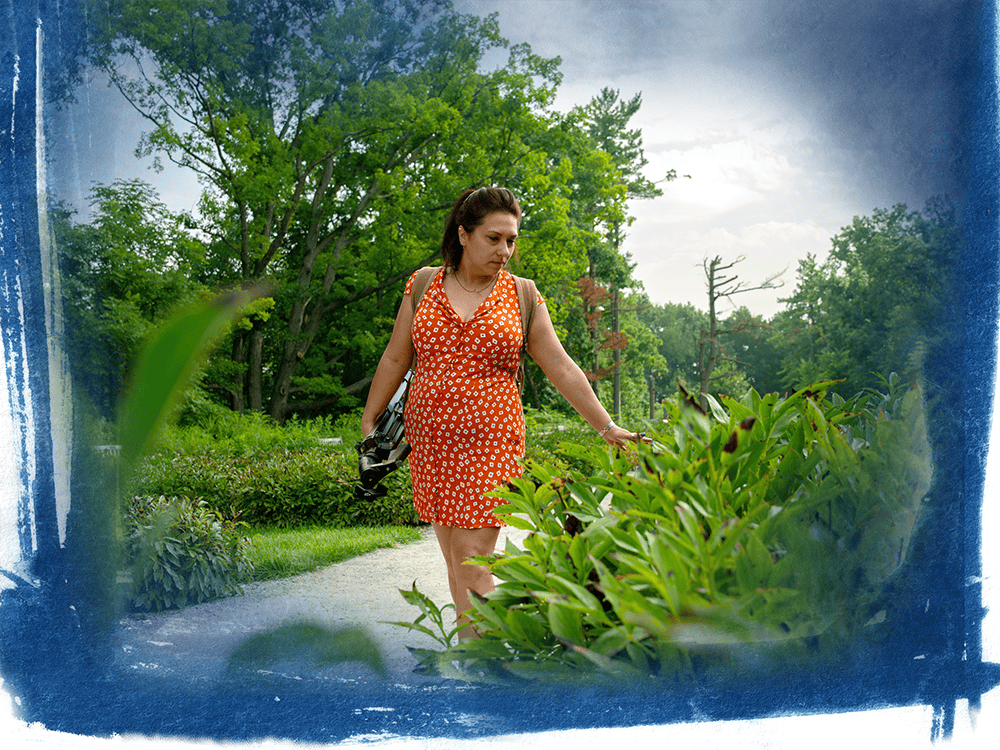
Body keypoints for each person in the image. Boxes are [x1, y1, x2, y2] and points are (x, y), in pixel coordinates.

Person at [360, 186, 644, 639]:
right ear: (464, 235)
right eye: (494, 238)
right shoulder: (423, 284)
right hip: (430, 447)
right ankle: (471, 659)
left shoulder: (521, 295)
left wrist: (606, 426)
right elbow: (396, 356)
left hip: (492, 444)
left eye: (511, 240)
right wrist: (370, 420)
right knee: (456, 562)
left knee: (473, 561)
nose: (505, 250)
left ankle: (506, 655)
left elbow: (561, 366)